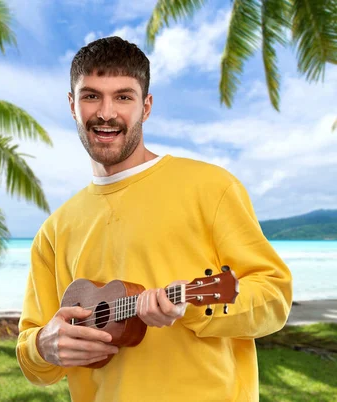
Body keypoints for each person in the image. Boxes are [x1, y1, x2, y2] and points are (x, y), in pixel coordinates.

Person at [15, 36, 292, 402]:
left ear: (146, 106)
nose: (106, 112)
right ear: (72, 105)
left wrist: (193, 310)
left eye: (123, 96)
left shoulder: (210, 187)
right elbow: (33, 349)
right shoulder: (54, 230)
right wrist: (42, 346)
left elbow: (274, 298)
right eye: (91, 95)